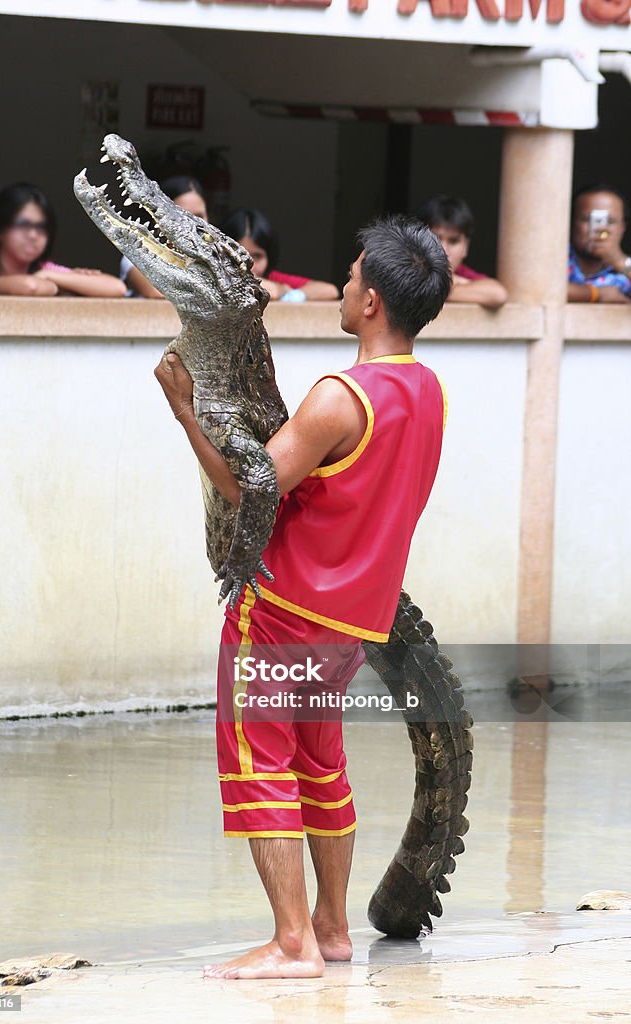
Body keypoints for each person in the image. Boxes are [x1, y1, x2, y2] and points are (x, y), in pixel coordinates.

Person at [154, 215, 451, 980]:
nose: (344, 285)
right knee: (321, 765)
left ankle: (291, 944)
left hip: (282, 610)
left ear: (375, 302)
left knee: (258, 764)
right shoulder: (426, 390)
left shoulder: (337, 396)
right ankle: (331, 927)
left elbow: (247, 488)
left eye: (354, 276)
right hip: (353, 621)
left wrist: (183, 411)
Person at [0, 183, 126, 297]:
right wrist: (60, 284)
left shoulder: (47, 271)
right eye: (23, 224)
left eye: (41, 227)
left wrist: (48, 275)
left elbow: (117, 288)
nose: (33, 235)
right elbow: (29, 287)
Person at [219, 207, 339, 302]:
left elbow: (330, 291)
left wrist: (287, 292)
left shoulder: (272, 279)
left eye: (258, 256)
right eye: (241, 255)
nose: (250, 264)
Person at [120, 176, 209, 299]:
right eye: (181, 216)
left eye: (199, 217)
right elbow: (158, 293)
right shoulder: (139, 252)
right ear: (159, 219)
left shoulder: (215, 260)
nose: (192, 225)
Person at [414, 195, 508, 310]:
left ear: (465, 247)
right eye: (434, 239)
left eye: (453, 241)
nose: (443, 250)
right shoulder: (405, 270)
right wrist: (459, 284)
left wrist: (440, 288)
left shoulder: (462, 272)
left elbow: (497, 295)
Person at [567, 184, 631, 303]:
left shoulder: (625, 271)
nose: (600, 229)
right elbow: (534, 287)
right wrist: (595, 293)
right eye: (588, 220)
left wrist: (620, 262)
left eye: (610, 221)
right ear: (571, 223)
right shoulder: (555, 258)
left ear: (622, 228)